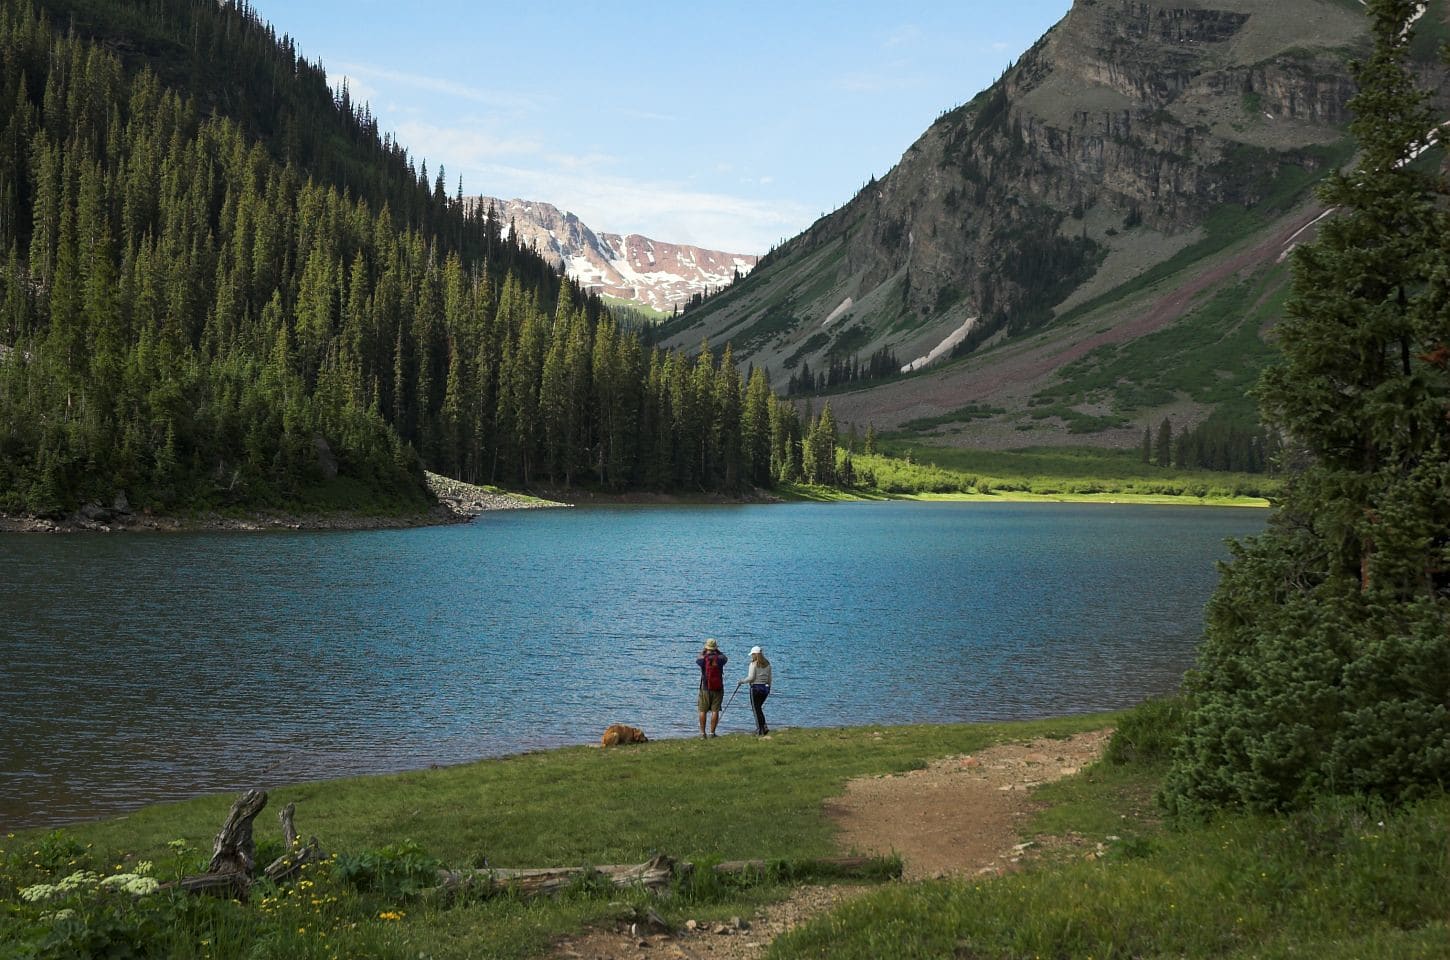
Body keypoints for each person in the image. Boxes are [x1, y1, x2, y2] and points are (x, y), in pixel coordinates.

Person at [696, 638, 727, 738]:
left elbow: (698, 658)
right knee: (715, 711)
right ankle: (712, 733)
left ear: (706, 647)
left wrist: (703, 651)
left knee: (702, 710)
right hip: (718, 687)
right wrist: (717, 651)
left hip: (705, 687)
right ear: (715, 648)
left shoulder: (702, 659)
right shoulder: (721, 659)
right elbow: (726, 658)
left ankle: (702, 733)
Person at [740, 645, 772, 736]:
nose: (751, 656)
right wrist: (769, 687)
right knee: (759, 708)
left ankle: (760, 730)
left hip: (755, 688)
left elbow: (751, 678)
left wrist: (742, 681)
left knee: (756, 709)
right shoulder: (767, 664)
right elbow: (769, 678)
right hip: (765, 689)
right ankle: (764, 726)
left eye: (752, 655)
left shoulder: (753, 664)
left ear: (754, 655)